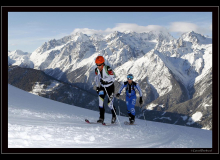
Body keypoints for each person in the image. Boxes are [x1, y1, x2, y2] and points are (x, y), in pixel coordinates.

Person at [94, 56, 117, 124]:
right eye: (97, 64)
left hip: (110, 87)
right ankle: (101, 118)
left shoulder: (108, 69)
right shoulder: (96, 70)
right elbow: (96, 78)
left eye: (99, 65)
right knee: (100, 102)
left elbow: (113, 78)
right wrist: (98, 87)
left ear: (103, 63)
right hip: (102, 87)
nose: (98, 66)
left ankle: (114, 116)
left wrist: (106, 81)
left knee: (109, 104)